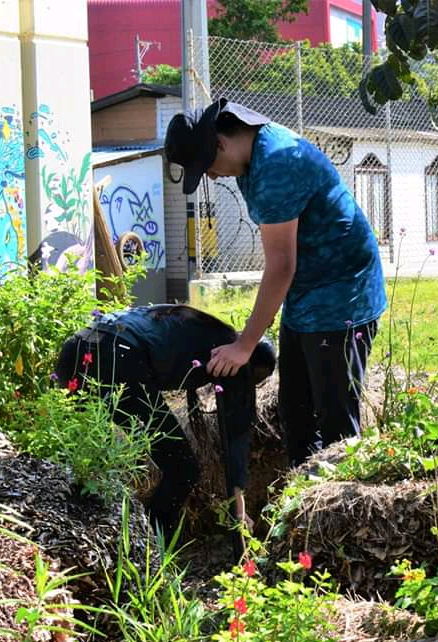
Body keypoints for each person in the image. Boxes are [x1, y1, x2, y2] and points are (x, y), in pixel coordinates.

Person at [163, 98, 386, 467]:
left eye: (208, 167)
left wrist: (244, 345)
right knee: (297, 415)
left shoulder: (278, 163)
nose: (214, 177)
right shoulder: (256, 154)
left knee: (336, 427)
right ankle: (304, 508)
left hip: (342, 296)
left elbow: (281, 265)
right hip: (306, 292)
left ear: (220, 143)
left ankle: (341, 507)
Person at [54, 304, 276, 537]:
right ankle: (154, 548)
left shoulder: (207, 331)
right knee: (182, 469)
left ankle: (78, 531)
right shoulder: (236, 358)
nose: (247, 385)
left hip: (77, 347)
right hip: (118, 355)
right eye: (256, 379)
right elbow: (236, 439)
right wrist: (238, 508)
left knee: (76, 455)